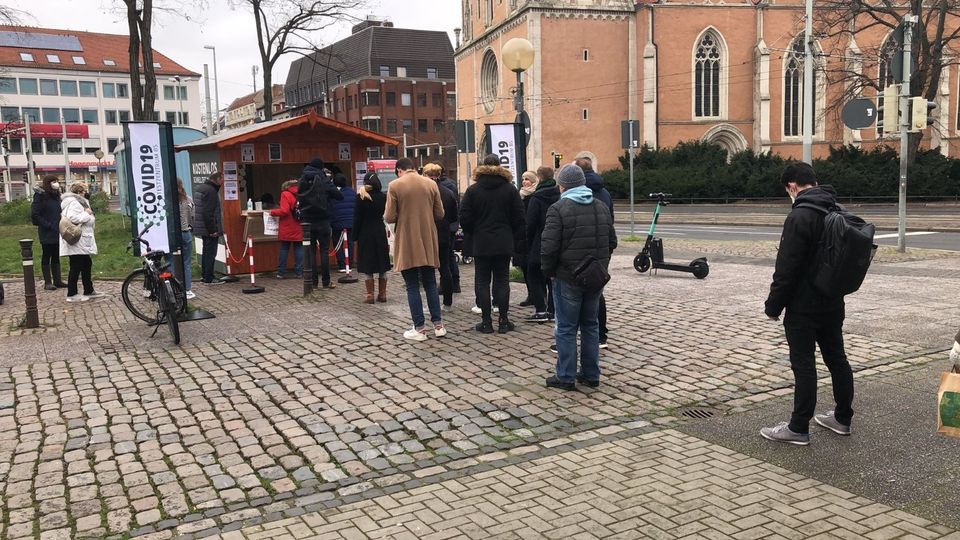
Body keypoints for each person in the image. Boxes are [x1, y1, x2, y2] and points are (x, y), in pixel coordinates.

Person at [762, 162, 854, 446]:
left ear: (792, 186)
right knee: (837, 358)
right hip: (832, 301)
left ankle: (798, 427)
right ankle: (842, 418)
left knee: (803, 365)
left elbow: (786, 268)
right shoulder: (835, 210)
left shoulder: (800, 216)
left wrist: (773, 306)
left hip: (803, 306)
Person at [541, 165, 617, 391]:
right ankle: (591, 374)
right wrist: (600, 265)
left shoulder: (558, 208)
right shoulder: (601, 206)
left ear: (562, 185)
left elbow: (549, 247)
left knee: (565, 327)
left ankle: (565, 376)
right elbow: (611, 241)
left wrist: (549, 271)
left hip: (567, 276)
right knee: (590, 325)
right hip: (594, 276)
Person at [460, 154, 525, 334]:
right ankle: (504, 320)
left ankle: (486, 321)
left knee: (482, 281)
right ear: (500, 167)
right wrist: (513, 236)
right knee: (502, 280)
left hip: (481, 242)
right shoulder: (510, 190)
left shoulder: (473, 190)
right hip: (503, 241)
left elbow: (464, 218)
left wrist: (474, 230)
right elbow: (519, 218)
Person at [384, 158, 446, 341]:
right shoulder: (430, 184)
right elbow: (440, 214)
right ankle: (439, 325)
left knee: (412, 285)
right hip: (428, 237)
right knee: (430, 282)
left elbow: (389, 216)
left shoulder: (395, 185)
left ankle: (419, 328)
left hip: (407, 239)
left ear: (398, 170)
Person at [577, 156, 614, 349]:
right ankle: (601, 335)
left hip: (580, 250)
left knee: (574, 295)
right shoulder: (605, 193)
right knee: (597, 293)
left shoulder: (575, 195)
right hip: (601, 250)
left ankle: (574, 334)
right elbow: (611, 223)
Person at [298, 158, 343, 289]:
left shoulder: (303, 179)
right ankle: (326, 281)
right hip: (323, 220)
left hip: (307, 221)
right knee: (324, 251)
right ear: (321, 167)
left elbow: (299, 196)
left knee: (311, 252)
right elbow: (339, 196)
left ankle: (313, 282)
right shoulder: (324, 179)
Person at [524, 166, 560, 323]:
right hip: (556, 242)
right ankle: (552, 310)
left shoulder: (537, 197)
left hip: (538, 242)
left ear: (539, 178)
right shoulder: (559, 194)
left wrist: (527, 242)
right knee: (552, 277)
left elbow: (530, 224)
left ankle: (540, 310)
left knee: (534, 276)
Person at [59, 182, 103, 302]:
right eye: (84, 191)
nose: (86, 193)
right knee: (76, 265)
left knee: (86, 263)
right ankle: (72, 293)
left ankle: (88, 289)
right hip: (78, 239)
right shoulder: (74, 203)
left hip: (82, 239)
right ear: (79, 192)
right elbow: (73, 218)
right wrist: (87, 214)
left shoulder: (80, 202)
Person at [424, 163, 459, 309]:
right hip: (444, 234)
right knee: (445, 268)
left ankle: (431, 302)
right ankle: (448, 300)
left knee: (427, 269)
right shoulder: (447, 192)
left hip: (426, 235)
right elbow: (453, 215)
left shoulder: (422, 193)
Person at [354, 172, 391, 303]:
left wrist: (355, 235)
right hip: (379, 231)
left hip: (365, 232)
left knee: (368, 263)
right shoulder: (383, 197)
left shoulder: (361, 197)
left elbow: (357, 218)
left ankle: (370, 295)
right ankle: (382, 294)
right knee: (382, 263)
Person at [31, 175, 67, 291]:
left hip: (58, 229)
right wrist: (48, 225)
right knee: (47, 254)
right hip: (47, 230)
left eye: (57, 181)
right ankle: (48, 281)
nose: (56, 183)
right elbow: (35, 214)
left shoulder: (56, 195)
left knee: (56, 255)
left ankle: (57, 280)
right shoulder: (40, 195)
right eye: (53, 181)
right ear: (48, 183)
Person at [193, 171, 225, 285]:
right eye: (222, 179)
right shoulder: (211, 191)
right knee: (211, 252)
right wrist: (213, 230)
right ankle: (209, 277)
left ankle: (205, 275)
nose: (223, 182)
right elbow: (208, 212)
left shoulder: (202, 188)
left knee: (206, 251)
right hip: (209, 228)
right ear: (216, 179)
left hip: (203, 227)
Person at [436, 164, 462, 293]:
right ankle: (453, 283)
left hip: (446, 225)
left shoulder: (445, 187)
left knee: (447, 256)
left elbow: (452, 207)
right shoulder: (451, 184)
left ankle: (451, 284)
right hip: (450, 224)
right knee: (448, 255)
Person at [270, 179, 303, 279]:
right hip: (298, 224)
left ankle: (281, 272)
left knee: (284, 248)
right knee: (298, 248)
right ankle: (299, 272)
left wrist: (273, 212)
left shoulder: (285, 194)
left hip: (287, 226)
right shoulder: (301, 193)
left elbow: (284, 211)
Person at [174, 179, 195, 299]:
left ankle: (173, 288)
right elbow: (193, 215)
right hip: (186, 232)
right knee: (186, 262)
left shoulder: (168, 200)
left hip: (173, 234)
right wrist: (190, 227)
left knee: (171, 261)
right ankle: (187, 289)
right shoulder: (187, 199)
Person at [331, 173, 356, 272]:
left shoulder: (332, 193)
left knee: (338, 243)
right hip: (350, 222)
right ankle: (349, 263)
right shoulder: (352, 191)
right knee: (350, 242)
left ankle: (341, 265)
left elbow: (330, 208)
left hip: (337, 223)